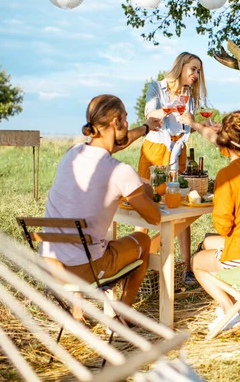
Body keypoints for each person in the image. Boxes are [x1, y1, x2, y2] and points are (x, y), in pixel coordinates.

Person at [40, 94, 162, 319]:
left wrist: (145, 128)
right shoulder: (120, 171)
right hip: (85, 270)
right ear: (116, 122)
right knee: (143, 240)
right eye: (125, 118)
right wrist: (146, 189)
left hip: (51, 264)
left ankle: (78, 310)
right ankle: (122, 316)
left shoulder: (72, 153)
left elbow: (109, 147)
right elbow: (154, 218)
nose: (127, 122)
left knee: (87, 240)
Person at [182, 111, 240, 332]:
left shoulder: (227, 175)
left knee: (198, 262)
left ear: (226, 142)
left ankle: (230, 309)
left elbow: (223, 225)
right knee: (208, 243)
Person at [138, 52, 207, 284]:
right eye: (193, 69)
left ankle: (187, 268)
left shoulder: (189, 94)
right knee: (147, 204)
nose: (196, 75)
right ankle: (138, 262)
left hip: (180, 150)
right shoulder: (156, 87)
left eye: (198, 71)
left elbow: (188, 125)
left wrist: (200, 124)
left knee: (181, 208)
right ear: (181, 65)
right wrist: (171, 110)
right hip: (155, 151)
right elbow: (151, 114)